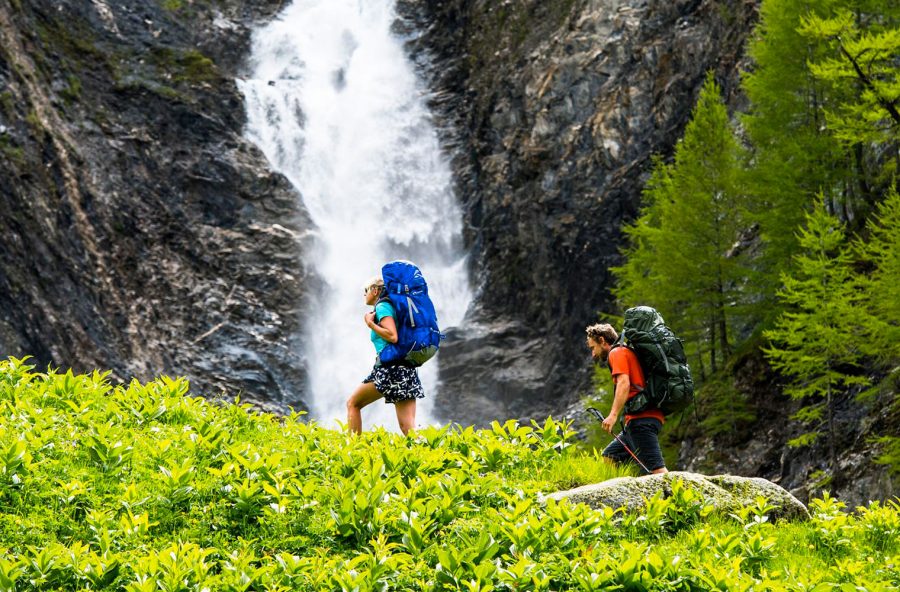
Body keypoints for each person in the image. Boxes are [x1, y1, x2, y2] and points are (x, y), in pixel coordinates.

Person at [586, 323, 668, 474]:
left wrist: (613, 415)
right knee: (609, 457)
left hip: (641, 419)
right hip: (638, 419)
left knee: (657, 471)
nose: (593, 354)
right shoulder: (626, 351)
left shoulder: (616, 353)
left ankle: (683, 497)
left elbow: (624, 383)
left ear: (602, 340)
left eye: (593, 348)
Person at [346, 277, 424, 435]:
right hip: (405, 369)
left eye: (365, 291)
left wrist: (370, 324)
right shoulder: (396, 307)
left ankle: (352, 452)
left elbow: (392, 335)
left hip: (391, 370)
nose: (364, 294)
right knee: (408, 428)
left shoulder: (382, 306)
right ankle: (432, 457)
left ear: (375, 290)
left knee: (353, 403)